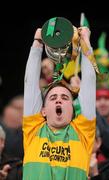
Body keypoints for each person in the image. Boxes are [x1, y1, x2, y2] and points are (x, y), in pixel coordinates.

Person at [23, 25, 96, 180]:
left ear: (72, 109)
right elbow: (30, 84)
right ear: (43, 110)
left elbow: (89, 81)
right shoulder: (33, 129)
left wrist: (85, 43)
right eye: (52, 98)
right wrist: (37, 44)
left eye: (64, 98)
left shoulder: (83, 132)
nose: (58, 100)